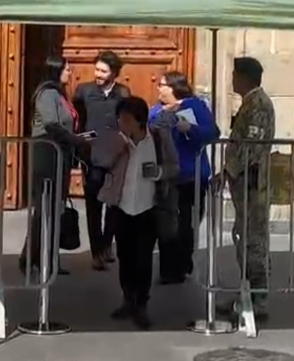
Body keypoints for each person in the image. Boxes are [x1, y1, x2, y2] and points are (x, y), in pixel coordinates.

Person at [91, 96, 179, 330]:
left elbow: (174, 166)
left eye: (127, 119)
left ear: (139, 120)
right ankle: (127, 298)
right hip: (121, 207)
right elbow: (101, 160)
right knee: (125, 257)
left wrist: (158, 172)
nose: (122, 123)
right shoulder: (118, 140)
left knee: (143, 258)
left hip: (148, 207)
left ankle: (141, 303)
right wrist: (118, 147)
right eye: (120, 118)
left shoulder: (158, 139)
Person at [215, 57, 275, 317]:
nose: (232, 80)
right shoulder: (250, 103)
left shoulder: (258, 105)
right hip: (244, 186)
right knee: (244, 237)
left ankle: (258, 299)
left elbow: (252, 146)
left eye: (234, 75)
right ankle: (246, 293)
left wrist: (228, 170)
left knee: (253, 241)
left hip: (253, 185)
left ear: (244, 77)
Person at [19, 56, 89, 277]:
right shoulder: (48, 94)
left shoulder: (60, 94)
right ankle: (36, 258)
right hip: (48, 154)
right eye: (67, 69)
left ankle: (42, 258)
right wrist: (74, 139)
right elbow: (51, 124)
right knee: (46, 208)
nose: (70, 72)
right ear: (56, 70)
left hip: (61, 155)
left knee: (53, 208)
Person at [149, 71, 220, 284]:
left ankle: (182, 262)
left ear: (174, 87)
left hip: (191, 175)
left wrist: (190, 128)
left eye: (162, 85)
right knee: (166, 223)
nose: (158, 88)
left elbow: (212, 133)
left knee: (185, 222)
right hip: (165, 175)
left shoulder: (195, 106)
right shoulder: (157, 110)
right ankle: (169, 270)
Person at [72, 50, 130, 270]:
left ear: (114, 73)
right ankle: (97, 251)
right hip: (92, 155)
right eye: (96, 69)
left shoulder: (123, 93)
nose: (98, 74)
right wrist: (82, 143)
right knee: (94, 204)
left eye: (103, 71)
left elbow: (127, 120)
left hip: (116, 155)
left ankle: (107, 244)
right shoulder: (84, 91)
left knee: (114, 203)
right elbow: (77, 121)